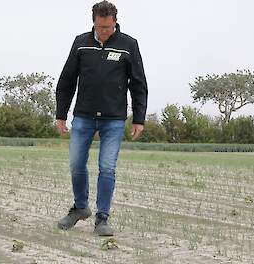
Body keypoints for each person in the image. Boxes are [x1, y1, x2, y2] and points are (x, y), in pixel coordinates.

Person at [55, 1, 147, 236]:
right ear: (93, 22)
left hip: (113, 119)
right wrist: (61, 115)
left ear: (114, 22)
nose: (103, 31)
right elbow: (66, 80)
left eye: (107, 27)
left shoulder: (129, 45)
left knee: (107, 168)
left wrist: (139, 118)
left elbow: (138, 85)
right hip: (83, 116)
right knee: (76, 165)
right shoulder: (81, 43)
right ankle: (80, 207)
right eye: (99, 27)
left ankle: (102, 219)